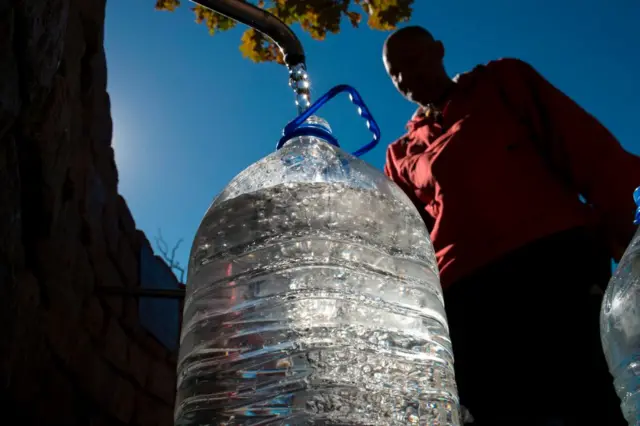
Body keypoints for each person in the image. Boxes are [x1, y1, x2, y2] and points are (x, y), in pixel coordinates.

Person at [382, 25, 640, 426]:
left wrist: (630, 237)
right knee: (497, 409)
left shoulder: (502, 82)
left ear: (438, 50)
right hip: (467, 295)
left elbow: (586, 148)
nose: (407, 78)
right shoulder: (400, 154)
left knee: (592, 395)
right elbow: (407, 245)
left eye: (413, 61)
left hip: (552, 264)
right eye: (395, 74)